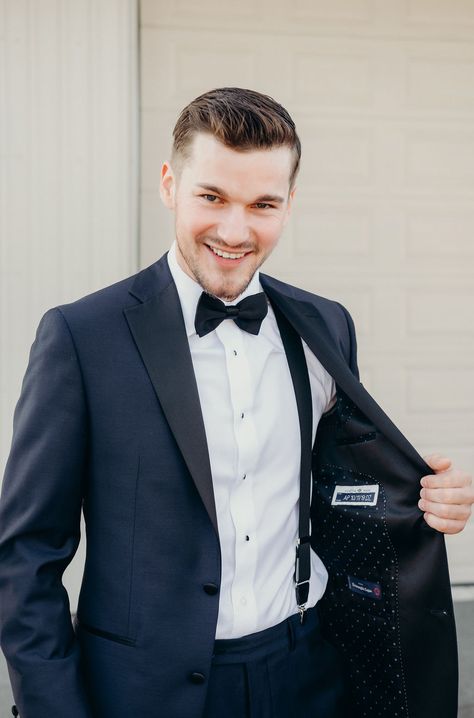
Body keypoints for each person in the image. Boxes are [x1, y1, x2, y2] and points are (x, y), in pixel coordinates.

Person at [0, 87, 472, 718]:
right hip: (146, 692)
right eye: (212, 197)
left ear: (288, 205)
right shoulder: (81, 338)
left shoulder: (326, 327)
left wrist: (426, 499)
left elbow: (345, 489)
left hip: (308, 672)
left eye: (263, 204)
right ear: (169, 184)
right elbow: (26, 556)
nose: (234, 229)